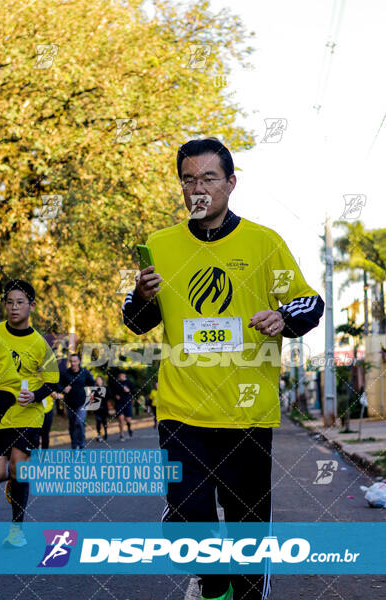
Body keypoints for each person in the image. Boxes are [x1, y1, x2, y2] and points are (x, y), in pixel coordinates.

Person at [122, 138, 325, 600]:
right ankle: (212, 584)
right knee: (187, 514)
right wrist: (144, 297)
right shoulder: (160, 245)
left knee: (247, 532)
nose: (198, 189)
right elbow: (135, 320)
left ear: (231, 183)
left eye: (209, 178)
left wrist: (285, 318)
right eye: (188, 179)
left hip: (246, 413)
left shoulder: (263, 243)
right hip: (181, 409)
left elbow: (308, 301)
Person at [0, 279, 59, 547]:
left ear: (31, 306)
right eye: (9, 302)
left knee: (19, 466)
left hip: (28, 412)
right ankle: (11, 479)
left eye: (20, 302)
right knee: (0, 472)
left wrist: (35, 395)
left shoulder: (39, 344)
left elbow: (53, 380)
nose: (13, 307)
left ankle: (16, 529)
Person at [59, 354, 95, 449]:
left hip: (82, 402)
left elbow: (92, 383)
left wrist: (92, 398)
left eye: (75, 361)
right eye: (72, 361)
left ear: (79, 362)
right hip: (69, 403)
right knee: (72, 425)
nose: (73, 363)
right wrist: (63, 389)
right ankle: (74, 446)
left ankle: (82, 445)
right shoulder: (65, 373)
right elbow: (58, 386)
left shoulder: (84, 372)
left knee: (79, 422)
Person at [112, 371, 134, 441]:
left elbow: (134, 391)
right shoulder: (116, 383)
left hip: (127, 403)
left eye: (122, 375)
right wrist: (115, 396)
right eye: (119, 375)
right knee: (121, 419)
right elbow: (112, 392)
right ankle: (121, 434)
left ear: (124, 375)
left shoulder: (129, 382)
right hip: (119, 403)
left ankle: (129, 427)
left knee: (128, 419)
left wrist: (129, 391)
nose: (120, 376)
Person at [94, 375, 109, 442]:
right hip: (96, 408)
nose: (98, 381)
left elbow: (109, 396)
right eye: (97, 380)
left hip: (104, 407)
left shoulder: (106, 388)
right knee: (98, 420)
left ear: (102, 381)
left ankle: (105, 432)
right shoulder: (94, 389)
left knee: (104, 421)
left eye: (99, 380)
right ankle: (99, 434)